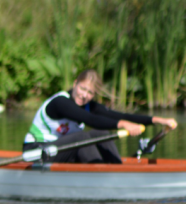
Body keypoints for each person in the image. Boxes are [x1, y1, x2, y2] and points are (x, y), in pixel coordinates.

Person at [23, 69, 178, 163]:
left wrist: (158, 120)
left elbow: (120, 115)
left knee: (101, 134)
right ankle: (102, 174)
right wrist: (123, 125)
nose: (84, 95)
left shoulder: (89, 105)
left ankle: (117, 169)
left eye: (90, 92)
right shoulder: (60, 102)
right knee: (82, 137)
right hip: (37, 151)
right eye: (82, 88)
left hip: (60, 151)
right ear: (75, 83)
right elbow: (91, 120)